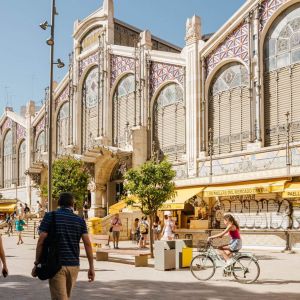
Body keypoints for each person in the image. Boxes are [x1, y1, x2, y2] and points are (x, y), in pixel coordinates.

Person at [31, 192, 95, 300]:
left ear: (59, 203)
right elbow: (88, 244)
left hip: (56, 265)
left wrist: (37, 263)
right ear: (72, 204)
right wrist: (91, 267)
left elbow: (41, 241)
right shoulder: (80, 220)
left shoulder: (50, 216)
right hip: (74, 266)